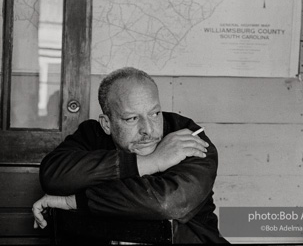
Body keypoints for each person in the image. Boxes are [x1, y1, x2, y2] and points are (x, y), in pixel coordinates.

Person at [32, 67, 229, 244]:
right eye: (132, 118)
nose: (148, 130)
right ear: (106, 124)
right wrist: (150, 162)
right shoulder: (92, 134)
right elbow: (53, 175)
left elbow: (166, 203)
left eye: (154, 114)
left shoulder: (188, 137)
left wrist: (75, 201)